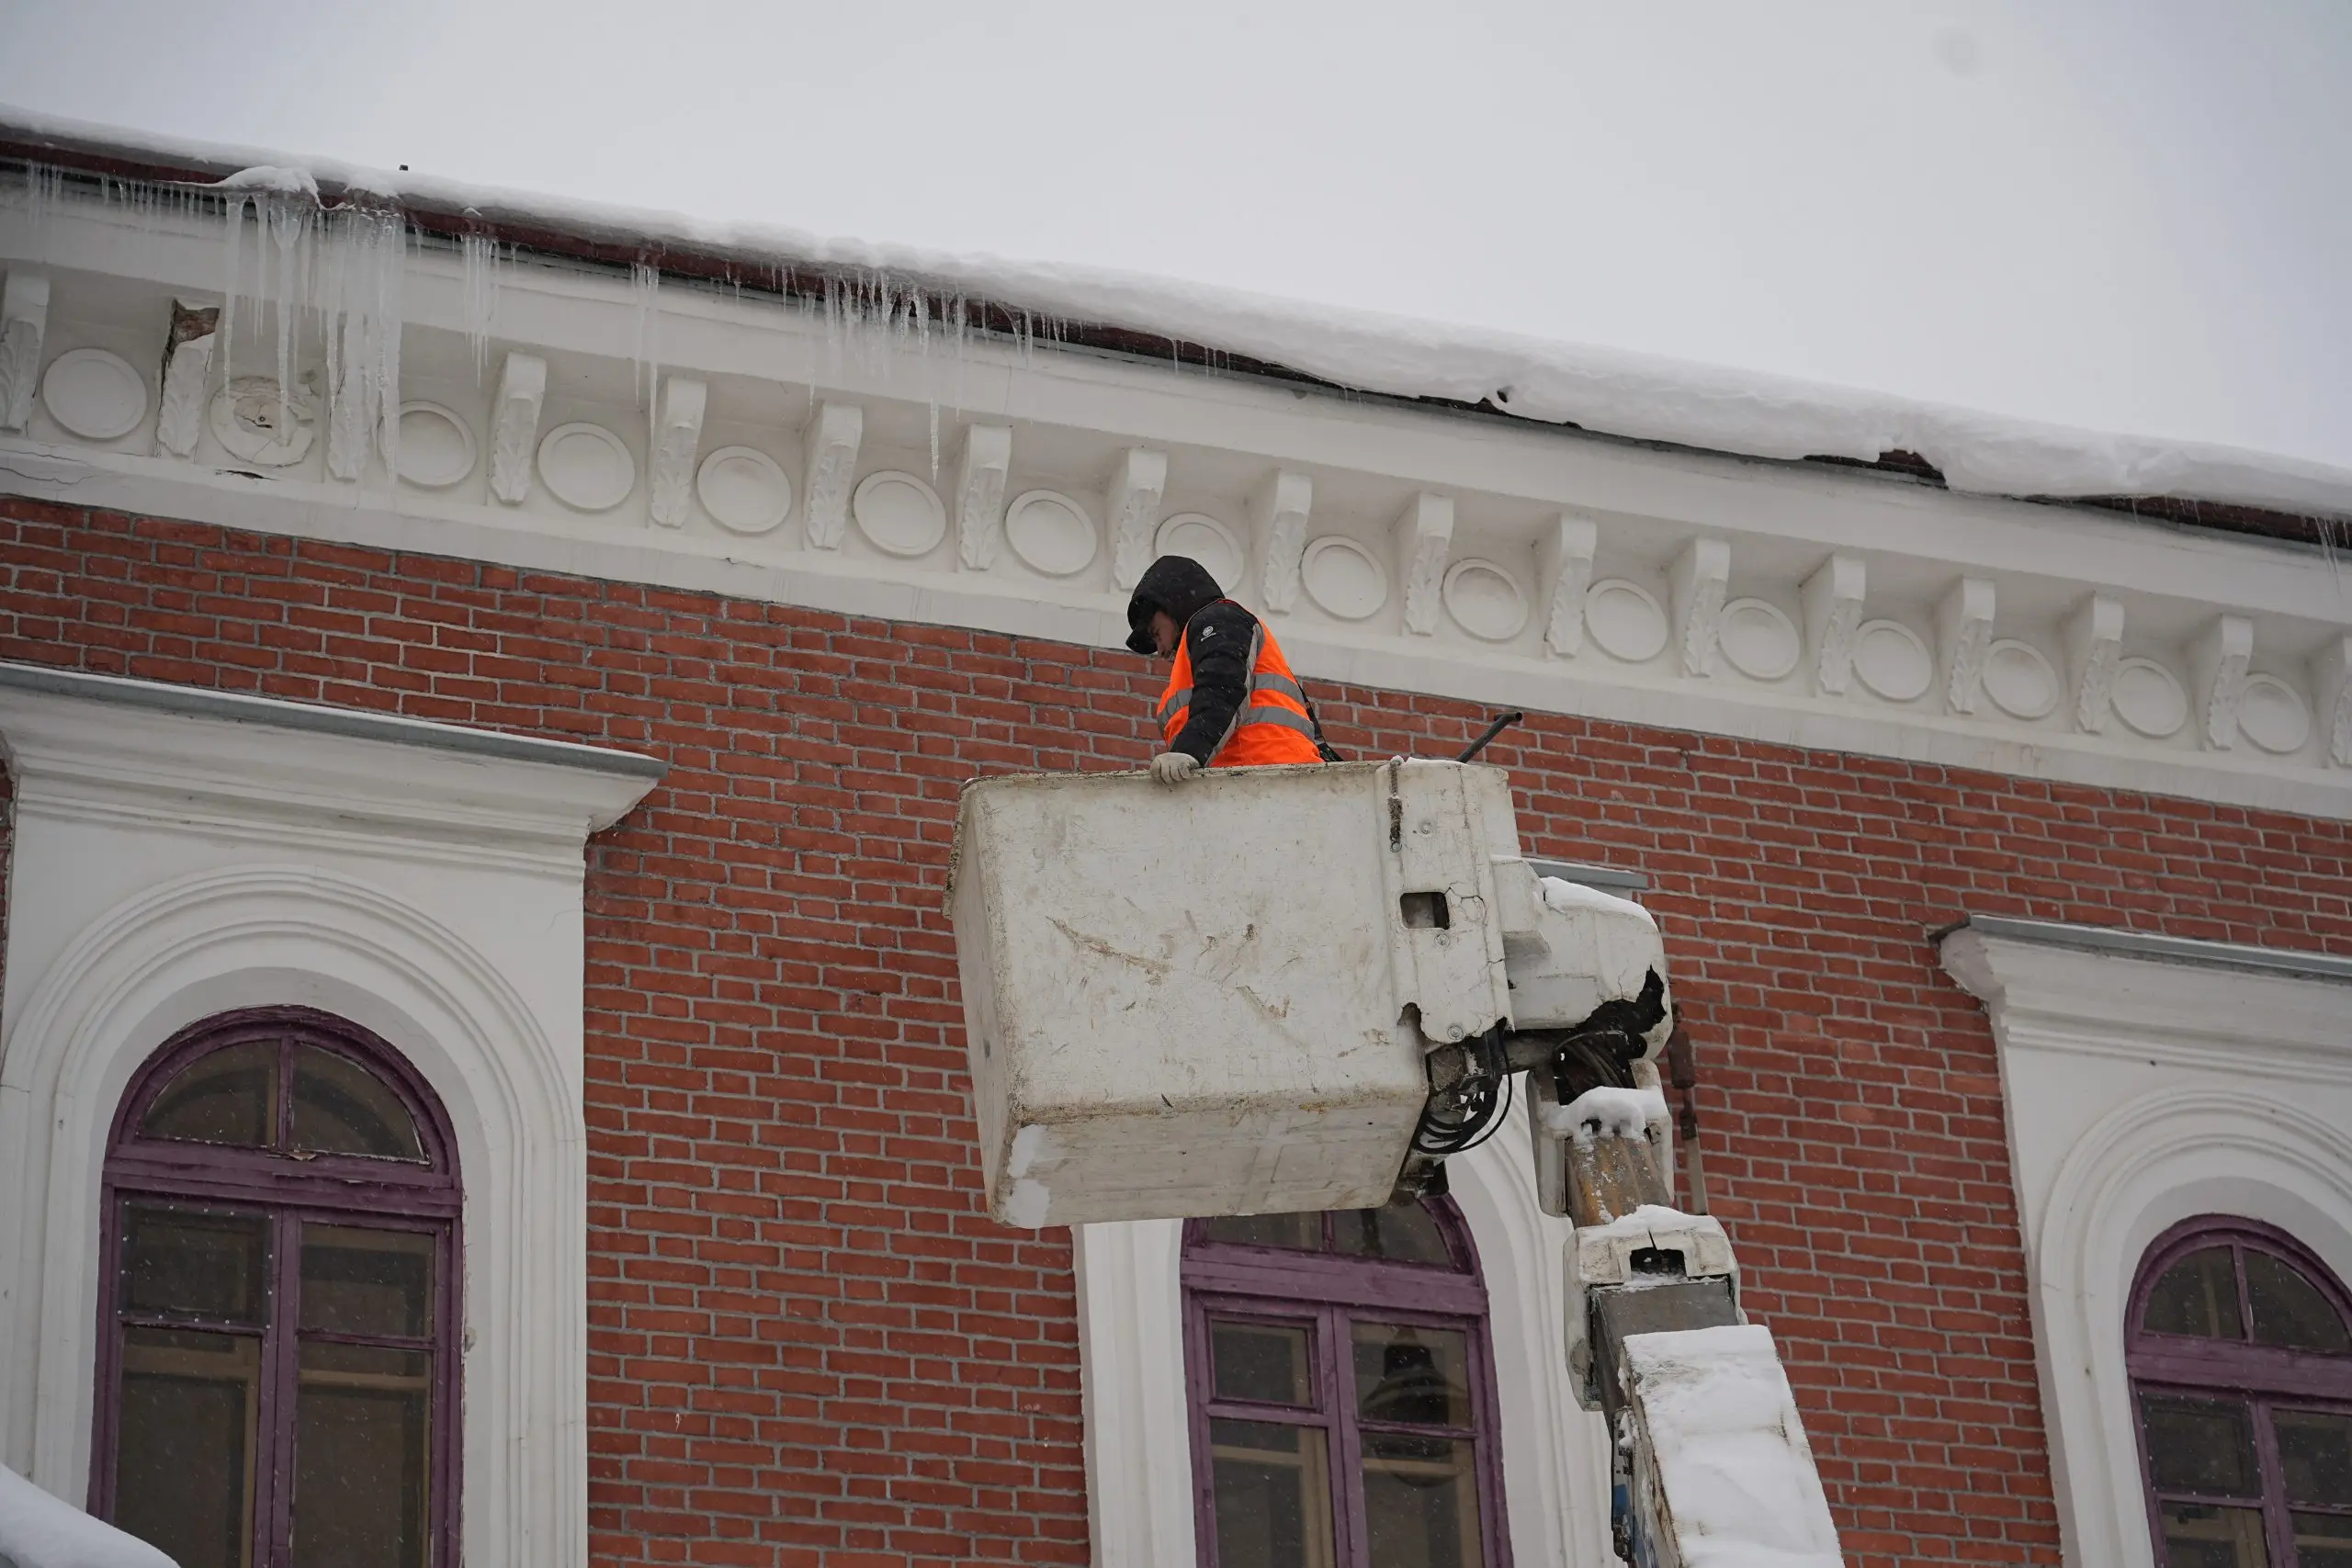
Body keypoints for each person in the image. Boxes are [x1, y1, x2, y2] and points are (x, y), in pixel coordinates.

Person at [1123, 554, 1340, 783]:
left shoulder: (1218, 619)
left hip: (1263, 775)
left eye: (1157, 634)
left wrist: (1189, 750)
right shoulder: (1193, 660)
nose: (1161, 651)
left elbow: (1222, 688)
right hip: (1248, 781)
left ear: (1173, 606)